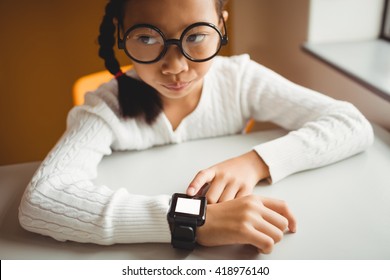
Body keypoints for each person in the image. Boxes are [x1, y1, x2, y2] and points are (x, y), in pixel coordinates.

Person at [18, 0, 373, 254]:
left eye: (196, 36)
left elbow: (351, 123)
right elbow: (41, 201)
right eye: (147, 38)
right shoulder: (107, 106)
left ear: (221, 26)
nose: (175, 66)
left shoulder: (240, 79)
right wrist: (191, 221)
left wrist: (255, 162)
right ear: (121, 35)